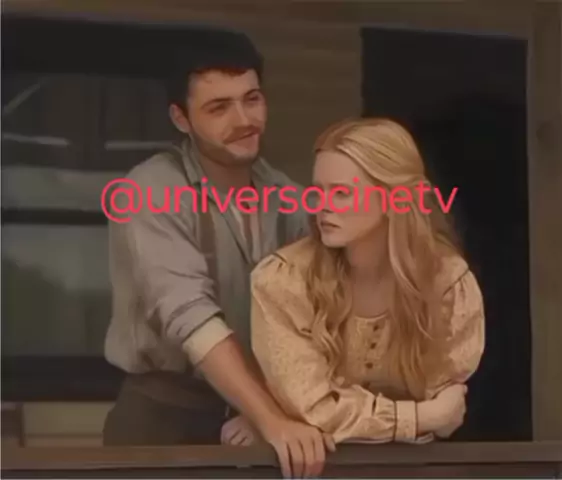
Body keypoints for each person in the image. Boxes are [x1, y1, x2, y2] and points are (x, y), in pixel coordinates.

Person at [103, 29, 334, 478]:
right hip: (162, 415)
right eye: (218, 107)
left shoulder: (287, 196)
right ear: (180, 118)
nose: (244, 119)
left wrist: (269, 411)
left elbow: (319, 310)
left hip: (260, 413)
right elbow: (192, 318)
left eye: (252, 99)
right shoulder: (149, 190)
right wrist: (271, 418)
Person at [250, 117, 485, 444]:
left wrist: (426, 418)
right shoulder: (283, 281)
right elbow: (315, 408)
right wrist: (419, 418)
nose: (322, 207)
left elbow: (447, 411)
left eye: (341, 193)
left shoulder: (447, 283)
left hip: (415, 465)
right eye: (317, 192)